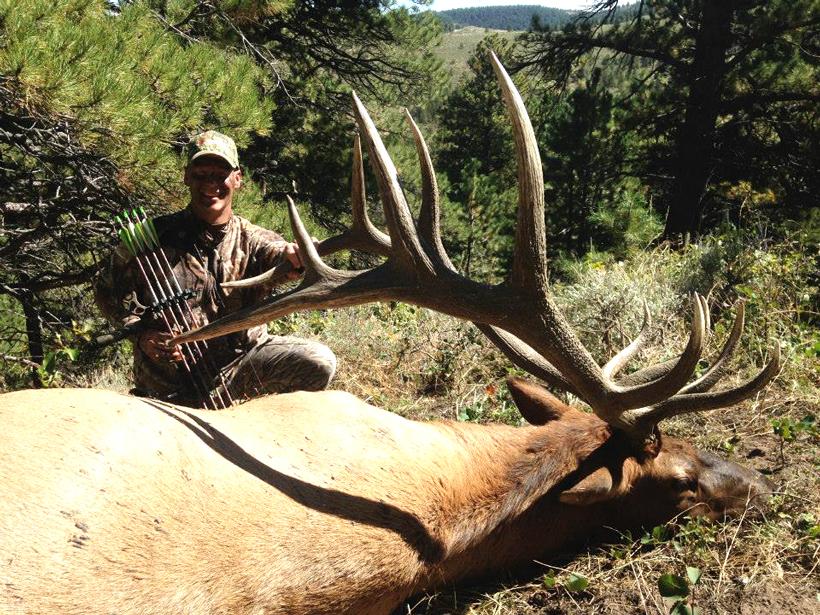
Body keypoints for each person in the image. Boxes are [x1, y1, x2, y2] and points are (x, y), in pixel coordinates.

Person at [95, 130, 336, 407]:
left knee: (318, 362)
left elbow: (279, 255)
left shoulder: (253, 239)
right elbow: (106, 292)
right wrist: (141, 336)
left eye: (220, 174)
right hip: (168, 381)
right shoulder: (149, 239)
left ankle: (262, 419)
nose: (210, 184)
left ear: (237, 179)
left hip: (240, 369)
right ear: (186, 177)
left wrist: (295, 257)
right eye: (200, 174)